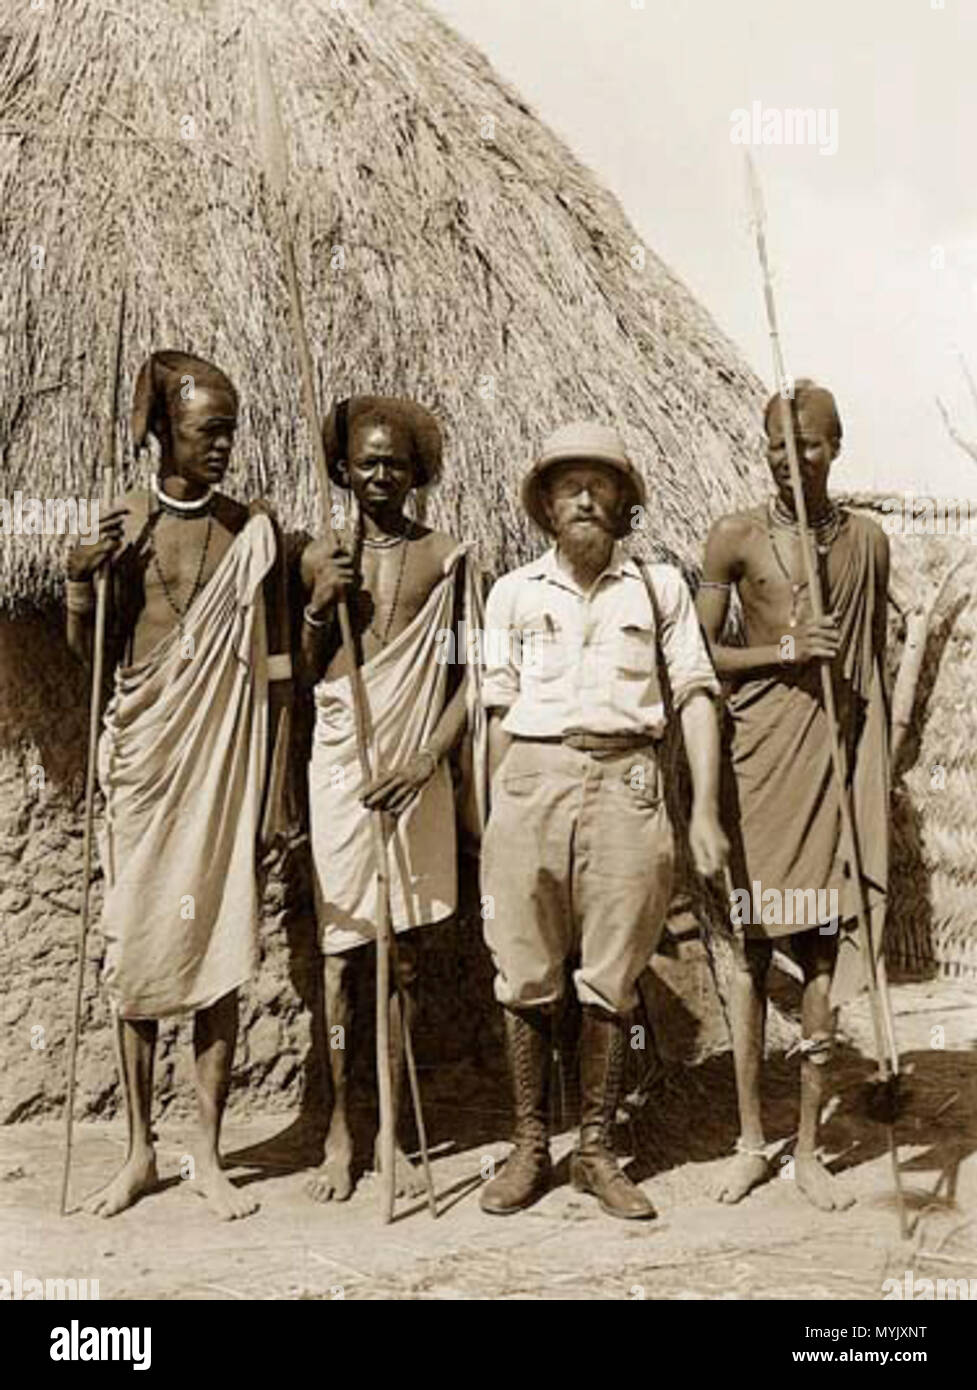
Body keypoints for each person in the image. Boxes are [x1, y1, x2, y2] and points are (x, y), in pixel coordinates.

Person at [478, 421, 728, 1220]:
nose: (584, 497)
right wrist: (491, 815)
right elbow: (492, 707)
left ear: (624, 502)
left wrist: (705, 816)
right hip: (530, 779)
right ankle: (528, 1147)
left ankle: (594, 1149)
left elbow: (693, 694)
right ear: (545, 505)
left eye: (600, 485)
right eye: (567, 486)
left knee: (612, 977)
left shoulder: (656, 590)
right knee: (523, 970)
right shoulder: (511, 592)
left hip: (629, 785)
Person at [66, 350, 291, 1220]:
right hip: (145, 762)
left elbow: (274, 671)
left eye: (231, 431)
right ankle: (137, 1151)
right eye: (207, 431)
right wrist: (85, 582)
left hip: (221, 775)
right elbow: (94, 663)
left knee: (218, 951)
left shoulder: (251, 531)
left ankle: (207, 1149)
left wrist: (273, 786)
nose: (223, 447)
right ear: (163, 433)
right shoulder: (121, 523)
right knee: (132, 952)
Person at [696, 380, 890, 1211]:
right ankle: (749, 1142)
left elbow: (872, 678)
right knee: (745, 954)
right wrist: (781, 647)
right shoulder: (733, 538)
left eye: (805, 446)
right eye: (776, 447)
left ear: (835, 447)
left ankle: (808, 1149)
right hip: (757, 767)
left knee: (814, 948)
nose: (788, 461)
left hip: (826, 773)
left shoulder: (868, 544)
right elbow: (699, 655)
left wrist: (864, 768)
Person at [299, 395, 484, 1203]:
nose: (379, 475)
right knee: (341, 958)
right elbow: (296, 671)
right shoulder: (319, 555)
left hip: (415, 766)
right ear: (343, 469)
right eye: (366, 460)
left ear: (417, 475)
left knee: (403, 958)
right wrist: (316, 607)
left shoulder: (449, 559)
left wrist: (423, 760)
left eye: (395, 463)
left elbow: (478, 675)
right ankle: (341, 1128)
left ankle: (392, 1137)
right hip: (341, 759)